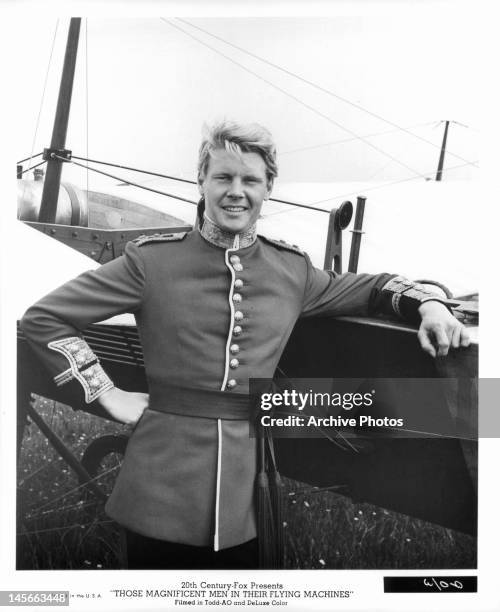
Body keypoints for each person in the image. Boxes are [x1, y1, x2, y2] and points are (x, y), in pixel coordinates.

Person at [20, 120, 470, 570]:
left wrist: (430, 306)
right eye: (223, 177)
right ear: (202, 181)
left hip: (245, 495)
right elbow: (47, 317)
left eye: (250, 180)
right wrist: (106, 393)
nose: (236, 191)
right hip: (157, 487)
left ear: (268, 187)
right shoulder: (150, 261)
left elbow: (375, 288)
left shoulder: (292, 270)